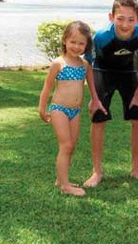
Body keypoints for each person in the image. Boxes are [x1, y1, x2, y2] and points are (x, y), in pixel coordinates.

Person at [83, 0, 138, 187]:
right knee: (98, 117)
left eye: (131, 19)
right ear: (111, 17)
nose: (125, 24)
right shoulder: (101, 36)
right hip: (103, 73)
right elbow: (88, 65)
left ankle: (136, 169)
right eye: (120, 18)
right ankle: (96, 171)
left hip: (128, 72)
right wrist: (93, 97)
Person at [39, 21, 104, 196]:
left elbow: (91, 87)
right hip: (59, 109)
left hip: (75, 111)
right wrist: (42, 109)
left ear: (86, 45)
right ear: (65, 40)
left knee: (72, 146)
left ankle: (62, 179)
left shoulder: (84, 66)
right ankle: (65, 186)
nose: (76, 46)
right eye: (73, 42)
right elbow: (47, 88)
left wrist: (96, 102)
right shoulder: (58, 63)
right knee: (66, 145)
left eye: (81, 43)